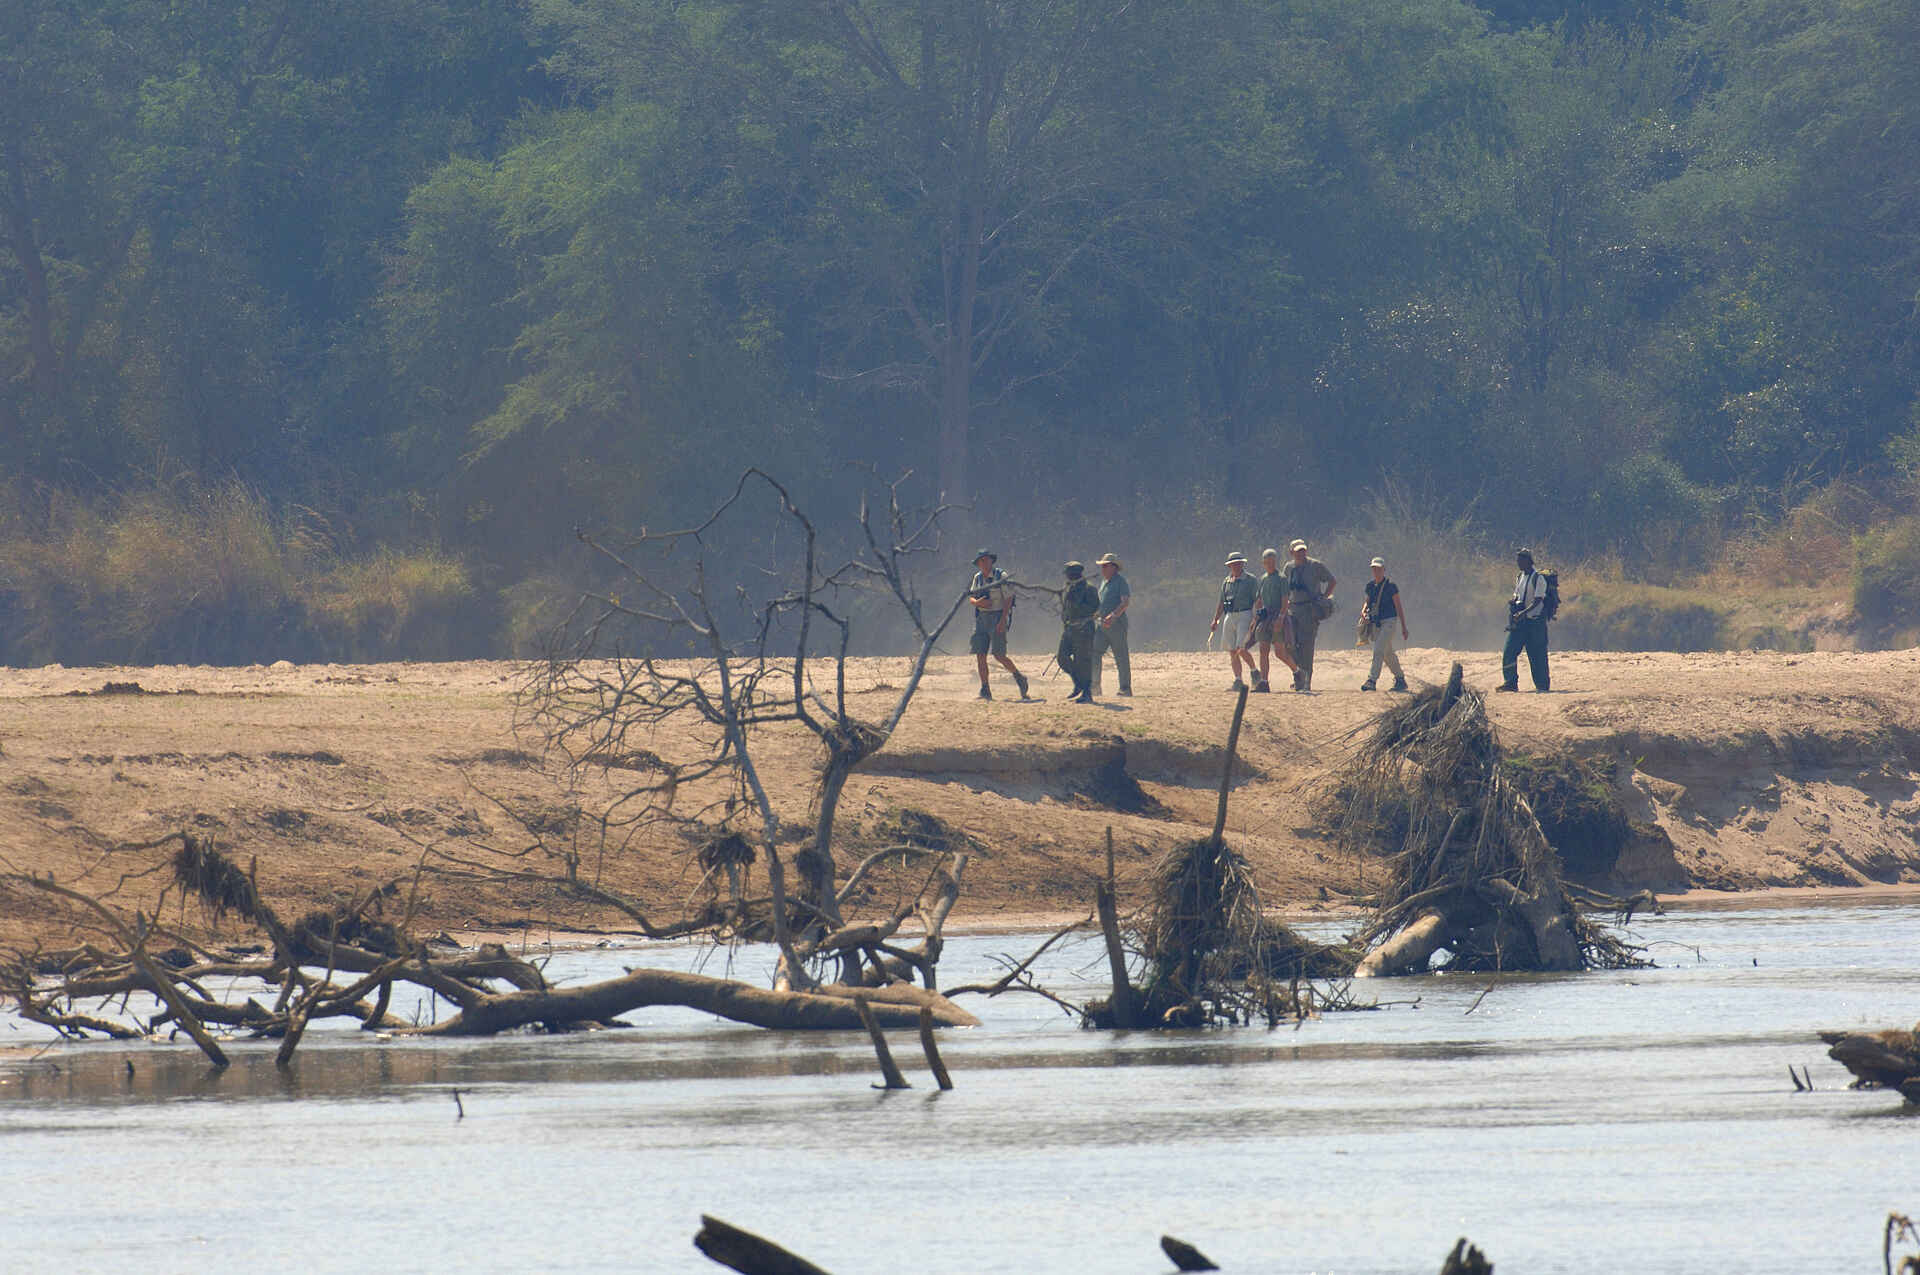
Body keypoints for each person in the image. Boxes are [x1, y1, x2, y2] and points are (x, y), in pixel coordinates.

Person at [968, 549, 1030, 700]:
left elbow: (1008, 599)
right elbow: (971, 596)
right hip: (981, 618)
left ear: (991, 561)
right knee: (980, 654)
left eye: (987, 560)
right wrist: (977, 602)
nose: (984, 563)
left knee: (999, 654)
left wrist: (1003, 621)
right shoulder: (977, 578)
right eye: (981, 561)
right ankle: (985, 688)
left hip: (997, 616)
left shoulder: (1000, 576)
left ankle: (1019, 678)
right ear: (978, 564)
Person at [1281, 539, 1336, 691]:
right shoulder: (1288, 567)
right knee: (1290, 644)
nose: (1301, 553)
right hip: (1292, 609)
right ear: (1291, 552)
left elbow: (1332, 581)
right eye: (1298, 551)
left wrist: (1323, 598)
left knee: (1307, 646)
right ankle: (1299, 676)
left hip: (1309, 610)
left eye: (1303, 550)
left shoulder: (1315, 565)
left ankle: (1306, 680)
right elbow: (1285, 588)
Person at [1499, 547, 1550, 693]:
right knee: (1509, 651)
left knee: (1537, 655)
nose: (1518, 563)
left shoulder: (1538, 578)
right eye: (1517, 560)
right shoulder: (1519, 576)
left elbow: (1538, 600)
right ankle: (1510, 683)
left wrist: (1523, 612)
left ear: (1528, 561)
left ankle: (1542, 685)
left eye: (1520, 560)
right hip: (1520, 623)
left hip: (1534, 623)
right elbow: (1517, 595)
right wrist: (1514, 603)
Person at [1248, 548, 1298, 693]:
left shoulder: (1281, 578)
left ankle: (1297, 672)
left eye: (1272, 561)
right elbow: (1259, 599)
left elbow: (1285, 601)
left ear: (1275, 562)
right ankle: (1264, 682)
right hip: (1266, 618)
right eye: (1267, 562)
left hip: (1278, 617)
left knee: (1279, 653)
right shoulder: (1263, 579)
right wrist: (1256, 617)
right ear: (1263, 563)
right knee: (1263, 649)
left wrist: (1281, 618)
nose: (1269, 564)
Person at [1208, 552, 1259, 689]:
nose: (1236, 566)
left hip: (1245, 614)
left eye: (1239, 563)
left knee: (1241, 647)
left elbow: (1257, 599)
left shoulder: (1250, 580)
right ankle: (1238, 680)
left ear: (1242, 564)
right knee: (1231, 650)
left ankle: (1254, 671)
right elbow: (1221, 602)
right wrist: (1216, 620)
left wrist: (1256, 617)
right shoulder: (1226, 582)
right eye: (1233, 564)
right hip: (1229, 615)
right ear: (1229, 565)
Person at [1358, 556, 1410, 692]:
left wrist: (1404, 627)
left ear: (1384, 570)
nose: (1376, 571)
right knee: (1387, 654)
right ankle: (1400, 679)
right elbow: (1367, 602)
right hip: (1376, 623)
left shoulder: (1391, 586)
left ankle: (1372, 680)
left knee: (1378, 649)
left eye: (1379, 569)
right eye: (1374, 569)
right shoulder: (1370, 586)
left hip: (1389, 622)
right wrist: (1363, 612)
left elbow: (1399, 607)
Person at [1058, 561, 1101, 704]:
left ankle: (1087, 692)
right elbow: (1066, 609)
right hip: (1070, 629)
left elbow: (1093, 608)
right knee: (1062, 657)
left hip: (1084, 629)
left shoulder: (1089, 589)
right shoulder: (1069, 589)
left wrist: (1076, 601)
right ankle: (1078, 683)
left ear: (1076, 574)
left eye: (1070, 574)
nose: (1068, 577)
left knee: (1083, 662)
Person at [1091, 552, 1131, 697]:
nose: (1102, 569)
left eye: (1105, 566)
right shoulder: (1103, 583)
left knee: (1120, 656)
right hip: (1102, 625)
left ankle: (1125, 688)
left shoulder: (1121, 582)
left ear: (1113, 567)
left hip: (1117, 625)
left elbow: (1125, 602)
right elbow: (1102, 604)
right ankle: (1095, 687)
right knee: (1094, 652)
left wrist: (1113, 616)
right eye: (1102, 566)